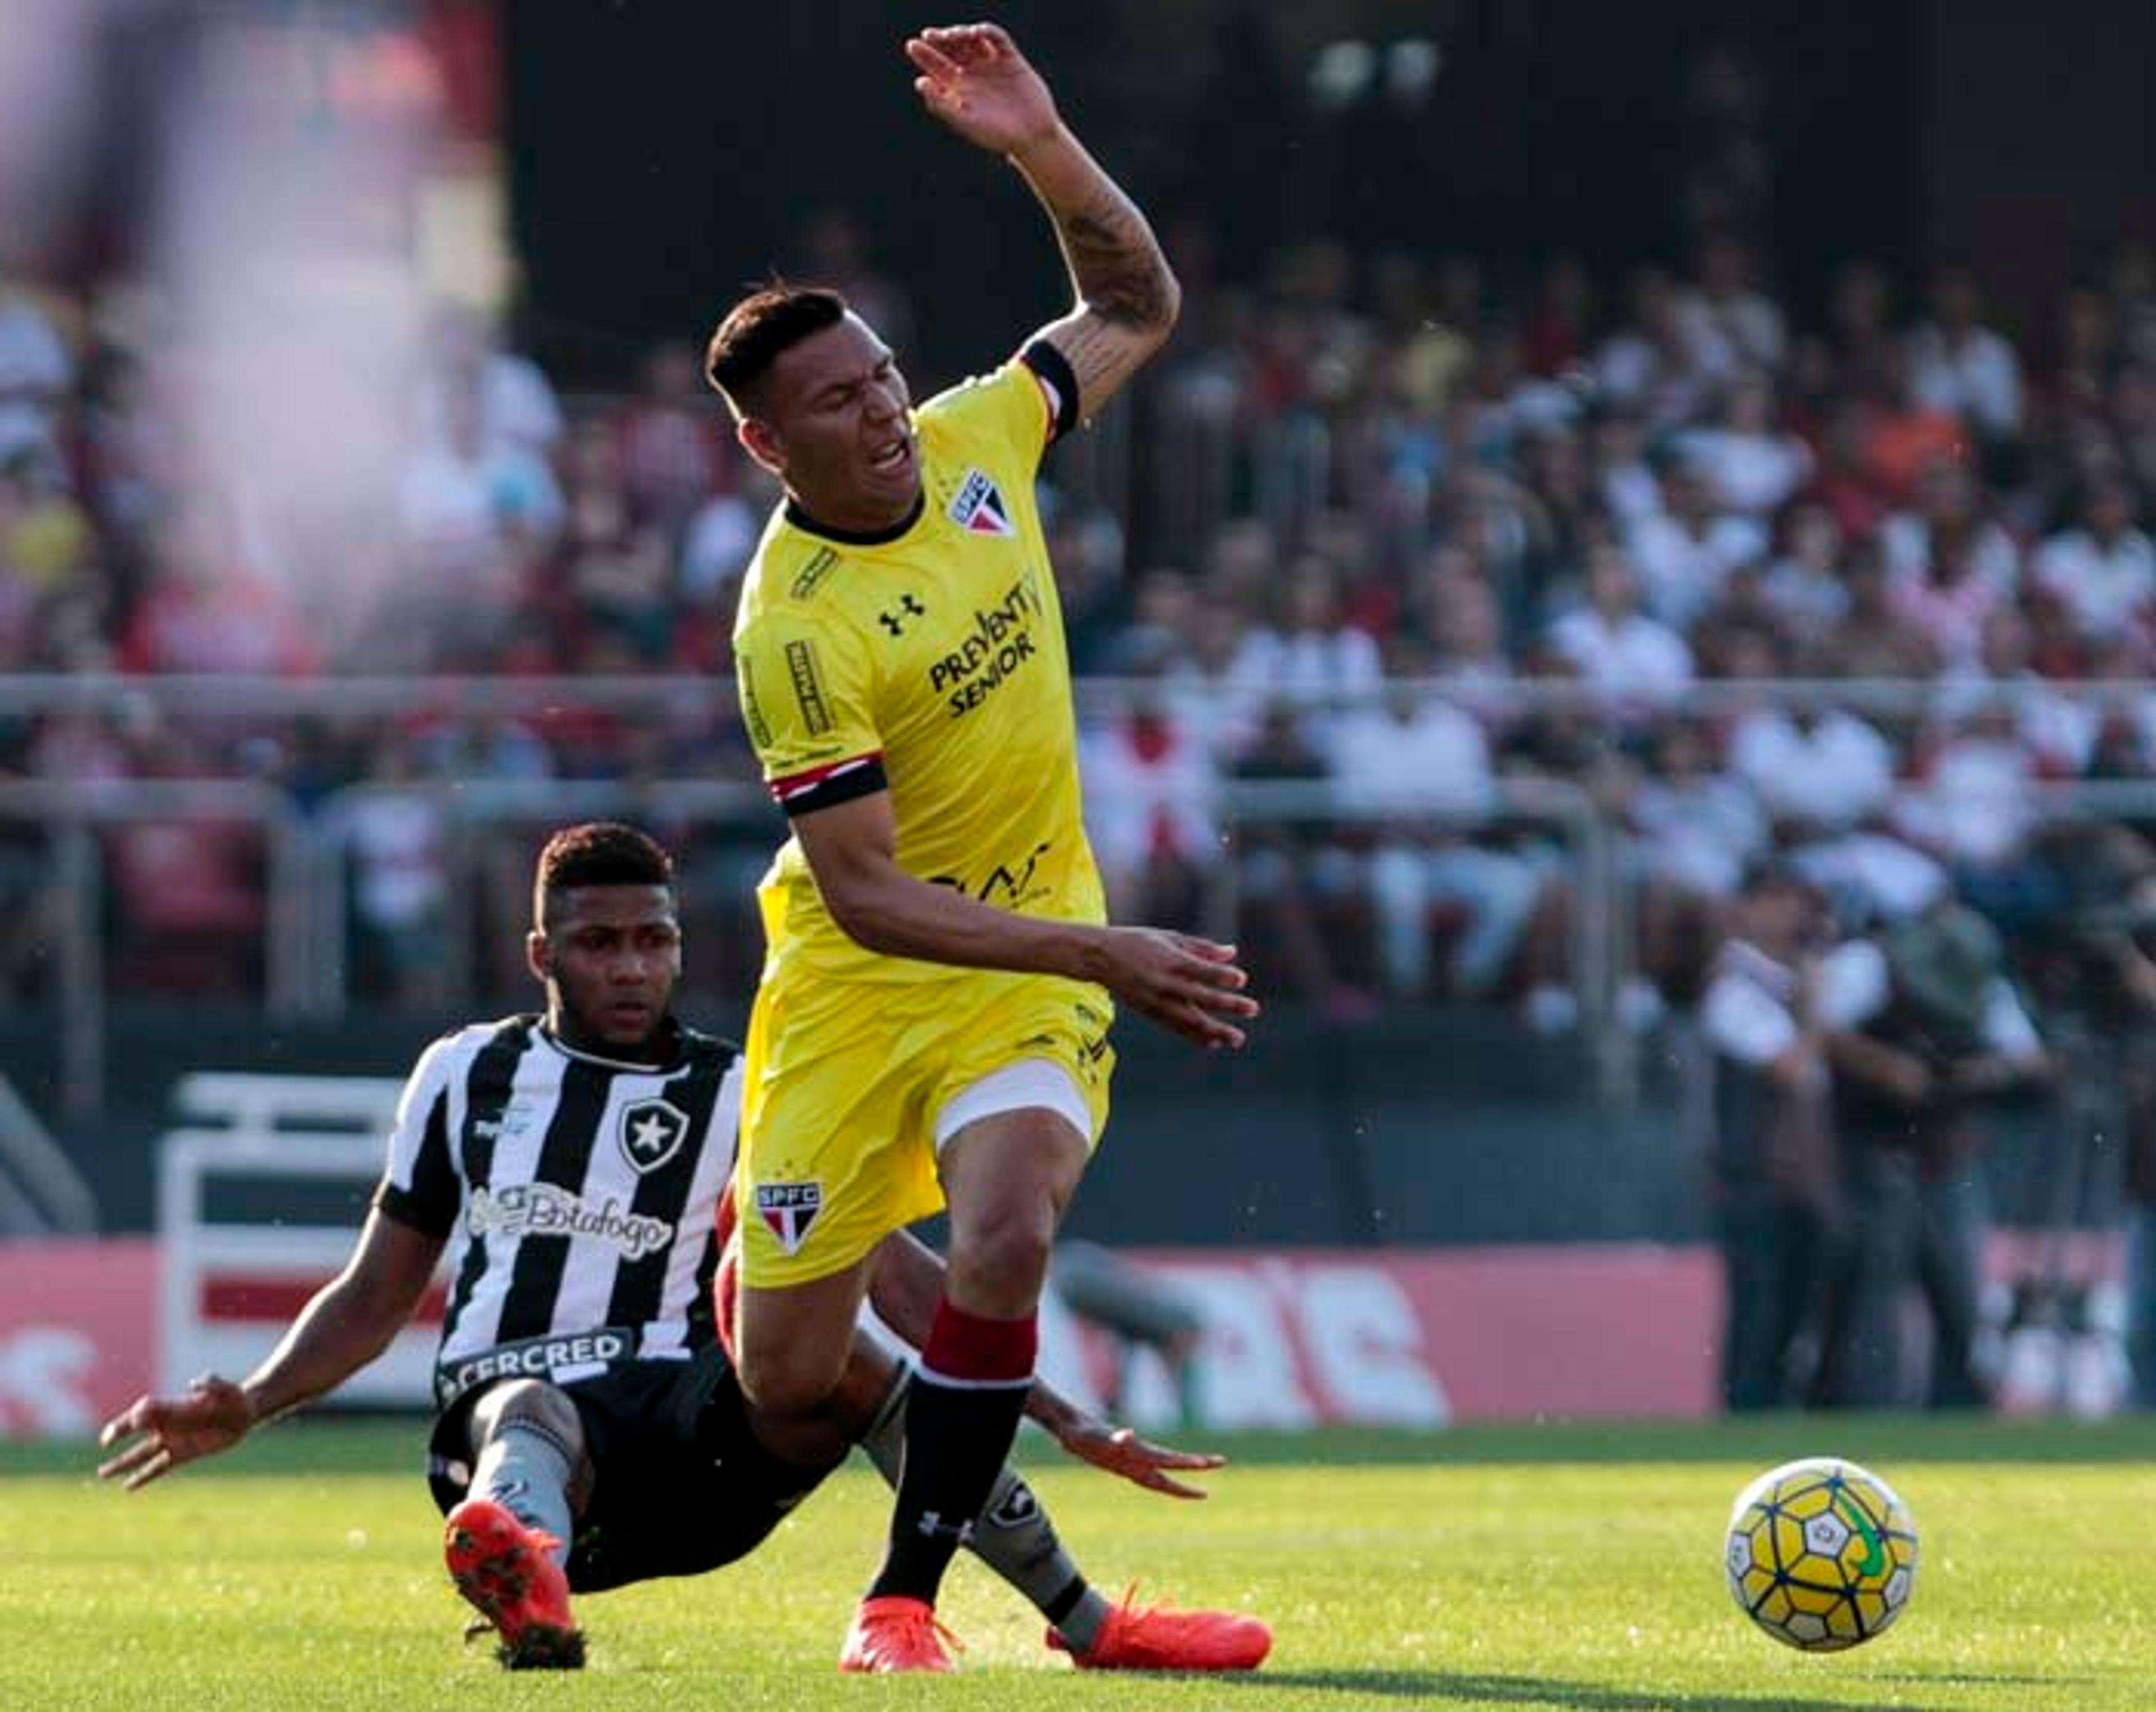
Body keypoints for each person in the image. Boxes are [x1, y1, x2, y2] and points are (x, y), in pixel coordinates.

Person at [97, 824, 1272, 1676]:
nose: (631, 967)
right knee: (531, 1405)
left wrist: (1060, 1415)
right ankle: (523, 1569)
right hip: (522, 1437)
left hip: (694, 1445)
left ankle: (1088, 1623)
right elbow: (375, 1288)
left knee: (848, 1353)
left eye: (652, 941)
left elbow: (886, 1266)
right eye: (599, 942)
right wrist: (252, 1400)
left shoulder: (748, 1092)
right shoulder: (467, 1074)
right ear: (540, 953)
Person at [704, 25, 1258, 1673]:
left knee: (1010, 1228)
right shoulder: (792, 632)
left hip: (1025, 969)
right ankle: (777, 1240)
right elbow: (868, 896)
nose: (880, 413)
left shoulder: (976, 442)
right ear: (765, 445)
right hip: (861, 981)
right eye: (836, 402)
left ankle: (908, 1602)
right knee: (787, 1380)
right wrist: (1116, 952)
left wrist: (1043, 145)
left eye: (880, 375)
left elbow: (1138, 306)